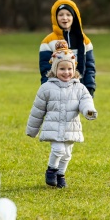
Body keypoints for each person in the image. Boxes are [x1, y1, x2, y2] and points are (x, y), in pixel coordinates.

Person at [27, 40, 97, 188]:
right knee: (58, 149)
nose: (66, 72)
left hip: (71, 127)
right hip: (54, 126)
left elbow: (86, 101)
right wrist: (32, 130)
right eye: (62, 69)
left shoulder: (80, 87)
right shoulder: (46, 88)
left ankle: (61, 175)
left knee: (67, 154)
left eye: (69, 69)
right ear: (54, 69)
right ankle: (51, 170)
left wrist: (89, 111)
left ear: (74, 69)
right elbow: (37, 111)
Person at [39, 0, 96, 97]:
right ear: (55, 18)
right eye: (61, 15)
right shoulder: (48, 41)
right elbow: (45, 68)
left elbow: (90, 67)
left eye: (68, 14)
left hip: (79, 89)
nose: (64, 18)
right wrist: (47, 88)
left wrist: (90, 87)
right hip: (57, 91)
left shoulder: (84, 41)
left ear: (74, 17)